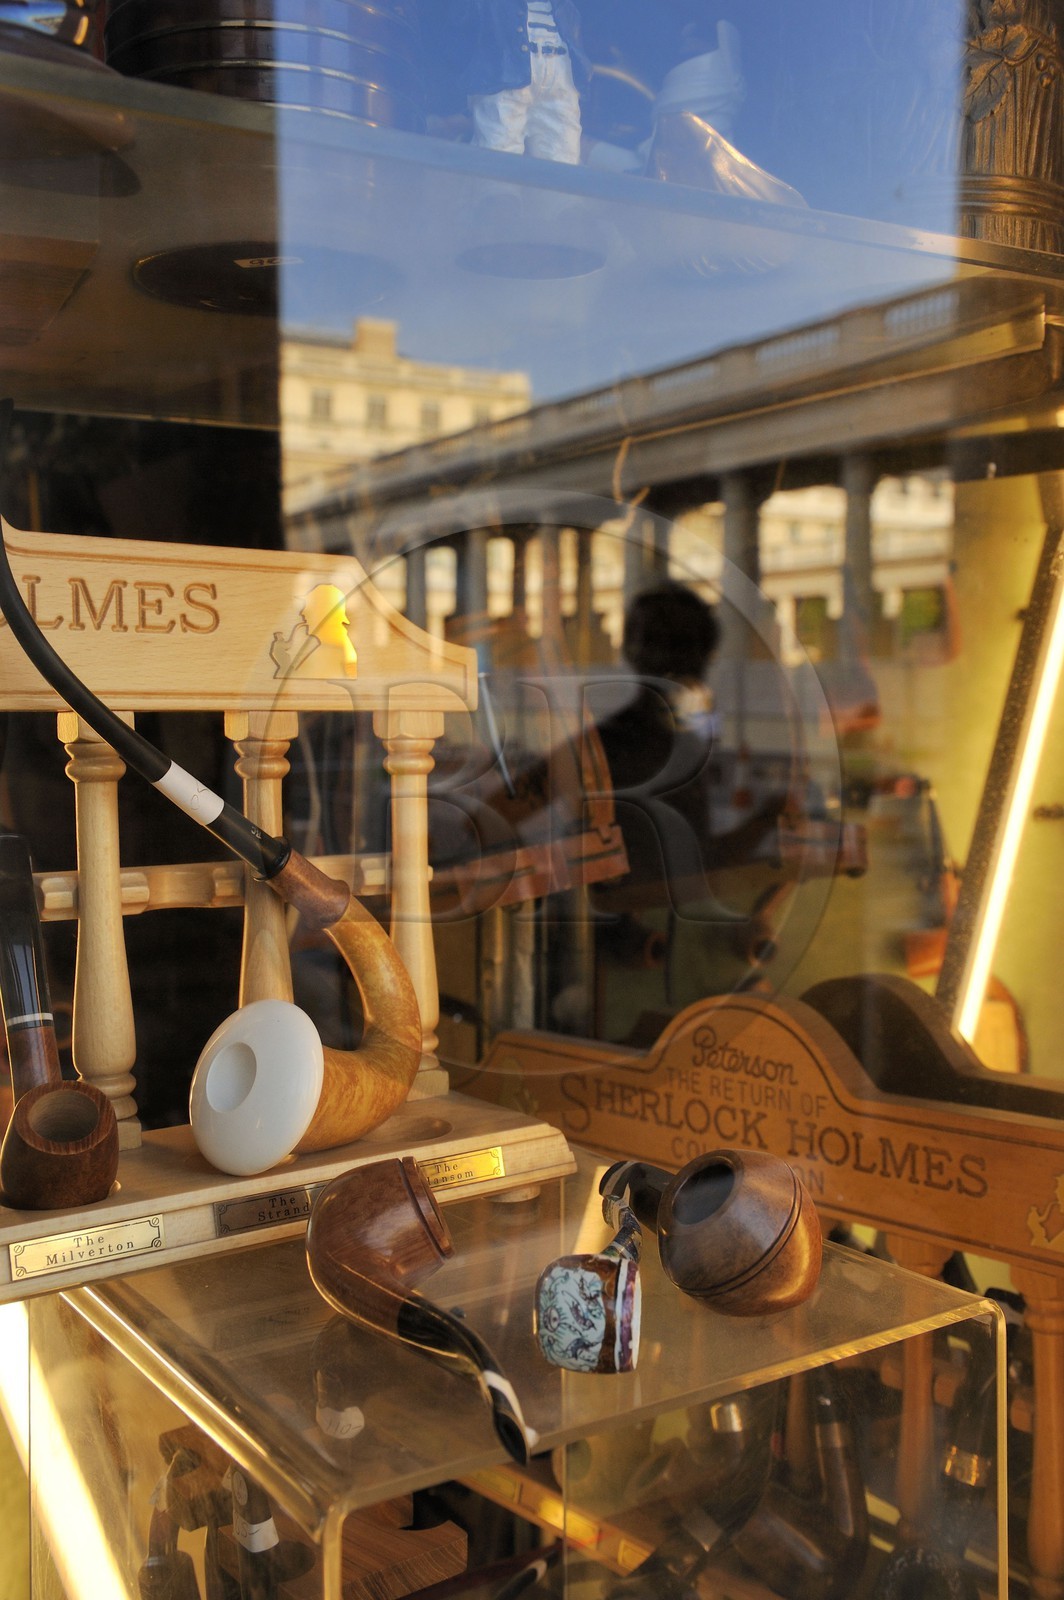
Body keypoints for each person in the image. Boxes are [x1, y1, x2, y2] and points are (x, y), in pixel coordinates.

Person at [448, 0, 590, 164]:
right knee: (499, 151)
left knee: (562, 154)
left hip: (560, 82)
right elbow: (459, 30)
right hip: (505, 79)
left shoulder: (565, 7)